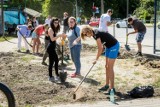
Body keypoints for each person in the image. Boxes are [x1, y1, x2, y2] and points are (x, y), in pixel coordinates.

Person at [81, 25, 120, 93]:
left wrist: (96, 59)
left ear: (88, 31)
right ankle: (107, 85)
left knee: (110, 68)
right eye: (85, 35)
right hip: (108, 47)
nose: (86, 36)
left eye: (86, 34)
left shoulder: (96, 34)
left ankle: (112, 89)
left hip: (114, 46)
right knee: (106, 67)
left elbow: (100, 48)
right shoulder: (93, 34)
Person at [47, 17, 63, 82]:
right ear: (52, 23)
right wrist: (59, 35)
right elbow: (52, 39)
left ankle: (56, 75)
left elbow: (55, 39)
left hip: (53, 47)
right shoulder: (50, 29)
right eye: (55, 22)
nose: (56, 24)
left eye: (57, 23)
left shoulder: (54, 29)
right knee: (52, 62)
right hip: (50, 48)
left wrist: (60, 38)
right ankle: (51, 76)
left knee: (56, 61)